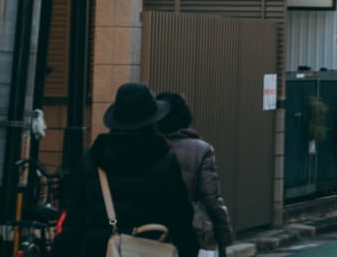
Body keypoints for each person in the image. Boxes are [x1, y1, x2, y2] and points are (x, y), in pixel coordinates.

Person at [51, 82, 200, 257]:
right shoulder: (163, 160)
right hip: (149, 251)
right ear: (152, 121)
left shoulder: (91, 160)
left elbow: (73, 224)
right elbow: (180, 218)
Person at [157, 91, 235, 252]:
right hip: (192, 231)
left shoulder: (150, 147)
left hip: (154, 231)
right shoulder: (201, 150)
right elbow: (212, 199)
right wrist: (224, 236)